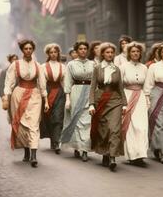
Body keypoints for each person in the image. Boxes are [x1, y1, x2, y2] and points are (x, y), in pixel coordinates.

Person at [3, 39, 48, 167]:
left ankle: (33, 155)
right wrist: (6, 96)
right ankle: (26, 150)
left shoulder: (38, 66)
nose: (28, 51)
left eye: (30, 48)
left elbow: (42, 84)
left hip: (35, 95)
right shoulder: (15, 65)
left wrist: (46, 101)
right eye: (25, 48)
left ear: (33, 50)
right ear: (22, 50)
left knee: (33, 124)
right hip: (19, 95)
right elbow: (9, 82)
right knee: (22, 124)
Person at [89, 42, 127, 171]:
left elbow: (120, 88)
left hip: (115, 101)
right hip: (101, 100)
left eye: (112, 52)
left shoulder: (117, 69)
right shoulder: (97, 68)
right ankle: (105, 152)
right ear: (103, 54)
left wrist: (124, 104)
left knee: (114, 129)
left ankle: (112, 157)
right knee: (103, 130)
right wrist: (91, 104)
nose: (110, 55)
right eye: (107, 52)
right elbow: (92, 87)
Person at [60, 41, 94, 162]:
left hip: (89, 93)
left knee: (88, 122)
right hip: (76, 92)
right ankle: (77, 147)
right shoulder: (71, 65)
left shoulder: (93, 64)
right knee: (77, 121)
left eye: (85, 48)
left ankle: (85, 150)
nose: (83, 51)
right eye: (80, 49)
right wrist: (67, 99)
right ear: (77, 51)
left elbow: (96, 82)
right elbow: (68, 82)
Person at [120, 41, 148, 166]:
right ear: (129, 53)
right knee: (130, 127)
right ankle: (132, 155)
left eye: (137, 51)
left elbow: (147, 86)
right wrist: (122, 102)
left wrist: (147, 100)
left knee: (142, 127)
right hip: (127, 95)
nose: (135, 53)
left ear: (140, 53)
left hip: (140, 98)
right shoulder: (124, 67)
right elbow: (119, 85)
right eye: (133, 51)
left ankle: (141, 154)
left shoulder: (144, 67)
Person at [40, 43, 66, 154]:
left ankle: (57, 142)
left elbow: (64, 82)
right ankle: (52, 138)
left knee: (58, 117)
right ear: (48, 54)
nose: (53, 54)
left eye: (55, 52)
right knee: (48, 117)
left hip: (59, 93)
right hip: (48, 91)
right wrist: (45, 98)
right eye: (51, 52)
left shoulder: (63, 66)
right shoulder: (43, 67)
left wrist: (68, 95)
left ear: (58, 53)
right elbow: (42, 83)